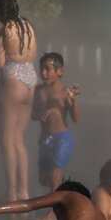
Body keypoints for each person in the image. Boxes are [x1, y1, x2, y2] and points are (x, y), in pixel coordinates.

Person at [0, 0, 38, 201]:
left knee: (7, 139)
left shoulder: (3, 29)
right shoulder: (27, 26)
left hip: (12, 78)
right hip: (30, 77)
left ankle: (11, 191)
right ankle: (24, 190)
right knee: (20, 140)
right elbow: (34, 54)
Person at [32, 52, 79, 198]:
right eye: (42, 69)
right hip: (45, 139)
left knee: (54, 177)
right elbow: (33, 114)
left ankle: (53, 212)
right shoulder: (38, 90)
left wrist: (73, 102)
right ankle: (64, 192)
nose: (44, 73)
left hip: (62, 138)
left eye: (48, 69)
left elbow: (76, 119)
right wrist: (40, 114)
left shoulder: (65, 92)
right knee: (44, 179)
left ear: (60, 71)